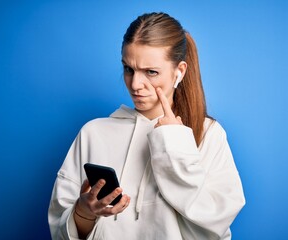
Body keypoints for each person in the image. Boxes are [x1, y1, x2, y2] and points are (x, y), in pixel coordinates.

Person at [48, 12, 245, 240]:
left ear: (179, 72)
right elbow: (59, 232)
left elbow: (215, 223)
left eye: (151, 72)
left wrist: (174, 143)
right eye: (128, 69)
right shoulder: (93, 132)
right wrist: (83, 213)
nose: (135, 84)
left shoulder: (208, 133)